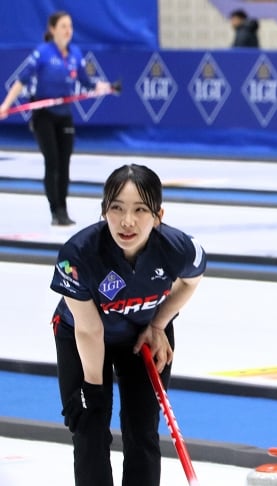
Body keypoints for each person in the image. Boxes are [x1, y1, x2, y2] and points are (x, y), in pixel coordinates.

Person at [50, 164, 206, 486]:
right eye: (116, 208)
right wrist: (94, 391)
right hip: (84, 338)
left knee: (143, 428)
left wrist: (159, 324)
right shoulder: (76, 256)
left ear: (159, 214)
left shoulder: (180, 248)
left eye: (140, 210)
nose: (127, 221)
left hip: (141, 335)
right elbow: (89, 330)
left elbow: (191, 282)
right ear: (104, 210)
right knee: (90, 428)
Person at [0, 11, 111, 226]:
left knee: (65, 162)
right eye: (63, 26)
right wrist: (5, 105)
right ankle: (55, 210)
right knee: (52, 161)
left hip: (64, 114)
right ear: (53, 30)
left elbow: (86, 83)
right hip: (44, 115)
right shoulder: (42, 53)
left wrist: (105, 87)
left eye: (70, 26)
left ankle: (64, 208)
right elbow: (21, 80)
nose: (68, 30)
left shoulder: (76, 54)